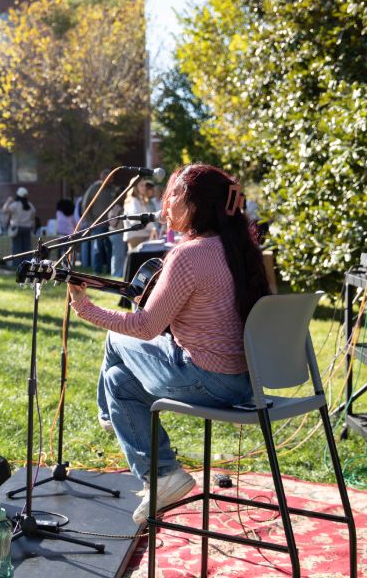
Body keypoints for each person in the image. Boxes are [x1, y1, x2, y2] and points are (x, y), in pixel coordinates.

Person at [67, 164, 270, 525]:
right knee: (118, 382)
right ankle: (159, 471)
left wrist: (84, 307)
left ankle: (112, 421)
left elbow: (145, 328)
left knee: (117, 338)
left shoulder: (188, 255)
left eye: (174, 194)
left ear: (197, 204)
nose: (165, 205)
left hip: (209, 379)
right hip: (247, 381)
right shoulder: (242, 247)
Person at [81, 169, 118, 273]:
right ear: (103, 178)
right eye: (109, 178)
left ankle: (110, 270)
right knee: (97, 248)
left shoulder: (113, 190)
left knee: (110, 248)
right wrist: (90, 221)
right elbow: (85, 206)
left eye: (111, 178)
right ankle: (97, 270)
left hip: (111, 224)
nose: (111, 180)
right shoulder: (93, 189)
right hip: (97, 224)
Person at [2, 187, 36, 267]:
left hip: (16, 229)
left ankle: (17, 266)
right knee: (27, 250)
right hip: (27, 229)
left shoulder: (15, 205)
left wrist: (8, 201)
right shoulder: (30, 205)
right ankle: (28, 266)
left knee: (17, 249)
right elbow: (33, 218)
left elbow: (4, 210)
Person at [123, 178, 160, 252]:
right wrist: (152, 228)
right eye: (141, 185)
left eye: (144, 185)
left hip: (142, 236)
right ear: (135, 187)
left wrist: (153, 228)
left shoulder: (139, 200)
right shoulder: (133, 201)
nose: (144, 187)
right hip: (136, 237)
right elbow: (135, 220)